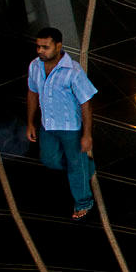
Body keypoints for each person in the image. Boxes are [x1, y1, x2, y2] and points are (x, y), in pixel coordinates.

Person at [27, 27, 99, 220]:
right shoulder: (35, 66)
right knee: (50, 159)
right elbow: (32, 93)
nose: (40, 51)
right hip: (47, 125)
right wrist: (31, 123)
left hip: (70, 128)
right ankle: (86, 168)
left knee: (75, 164)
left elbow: (86, 104)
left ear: (58, 46)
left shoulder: (73, 71)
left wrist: (87, 134)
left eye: (45, 47)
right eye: (38, 47)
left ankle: (84, 202)